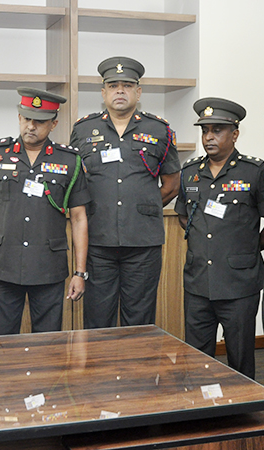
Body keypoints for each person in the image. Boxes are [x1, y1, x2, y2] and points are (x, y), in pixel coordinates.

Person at [70, 56, 180, 329]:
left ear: (138, 92)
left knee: (139, 321)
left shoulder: (159, 130)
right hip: (98, 241)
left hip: (143, 243)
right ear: (103, 92)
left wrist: (144, 206)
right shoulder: (83, 129)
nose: (120, 91)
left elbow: (172, 184)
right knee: (98, 320)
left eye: (127, 85)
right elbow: (75, 183)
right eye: (113, 85)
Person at [0, 87, 90, 335]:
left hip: (48, 267)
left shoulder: (69, 160)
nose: (31, 126)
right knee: (2, 342)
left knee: (48, 344)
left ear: (53, 124)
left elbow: (79, 218)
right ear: (19, 117)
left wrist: (80, 273)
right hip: (4, 265)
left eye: (39, 121)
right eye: (26, 119)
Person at [175, 98, 264, 379]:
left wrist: (249, 247)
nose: (208, 137)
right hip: (198, 281)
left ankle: (244, 406)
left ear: (235, 134)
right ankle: (201, 403)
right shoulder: (190, 171)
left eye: (217, 130)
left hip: (239, 283)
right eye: (205, 131)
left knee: (240, 359)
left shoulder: (254, 171)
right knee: (197, 358)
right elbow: (183, 215)